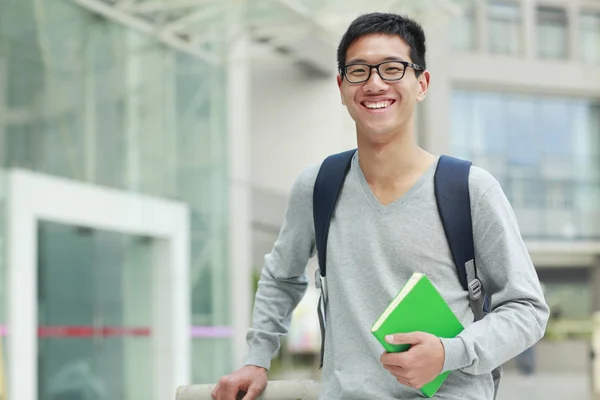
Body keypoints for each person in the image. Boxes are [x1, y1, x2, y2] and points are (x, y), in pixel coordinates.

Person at [212, 12, 549, 400]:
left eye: (392, 69)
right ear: (341, 87)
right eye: (358, 71)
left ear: (421, 83)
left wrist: (448, 353)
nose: (374, 83)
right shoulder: (318, 185)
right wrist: (257, 359)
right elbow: (281, 276)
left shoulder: (470, 190)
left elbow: (527, 309)